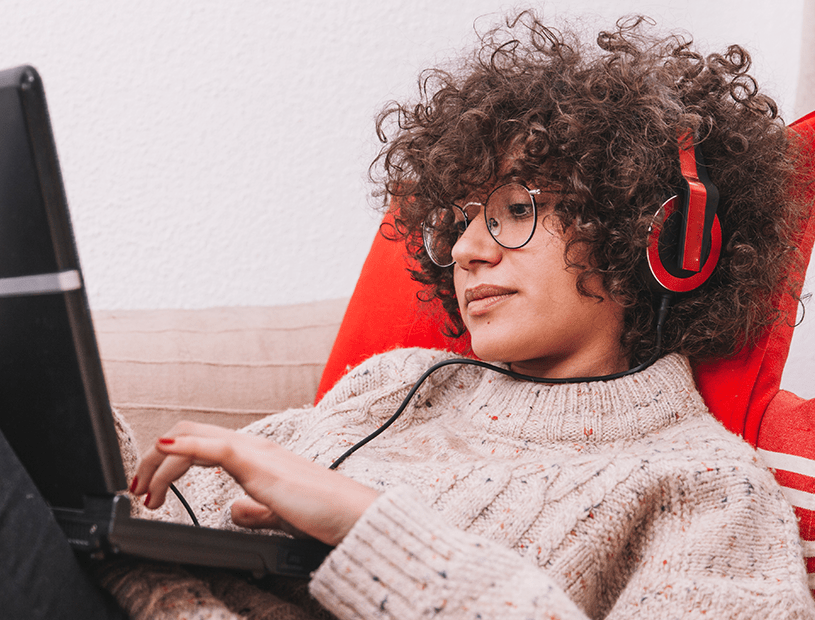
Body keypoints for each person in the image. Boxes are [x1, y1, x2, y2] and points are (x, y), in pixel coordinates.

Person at [102, 12, 815, 620]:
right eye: (460, 220)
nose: (468, 251)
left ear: (653, 236)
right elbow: (142, 518)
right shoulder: (395, 387)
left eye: (514, 210)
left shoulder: (708, 489)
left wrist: (365, 528)